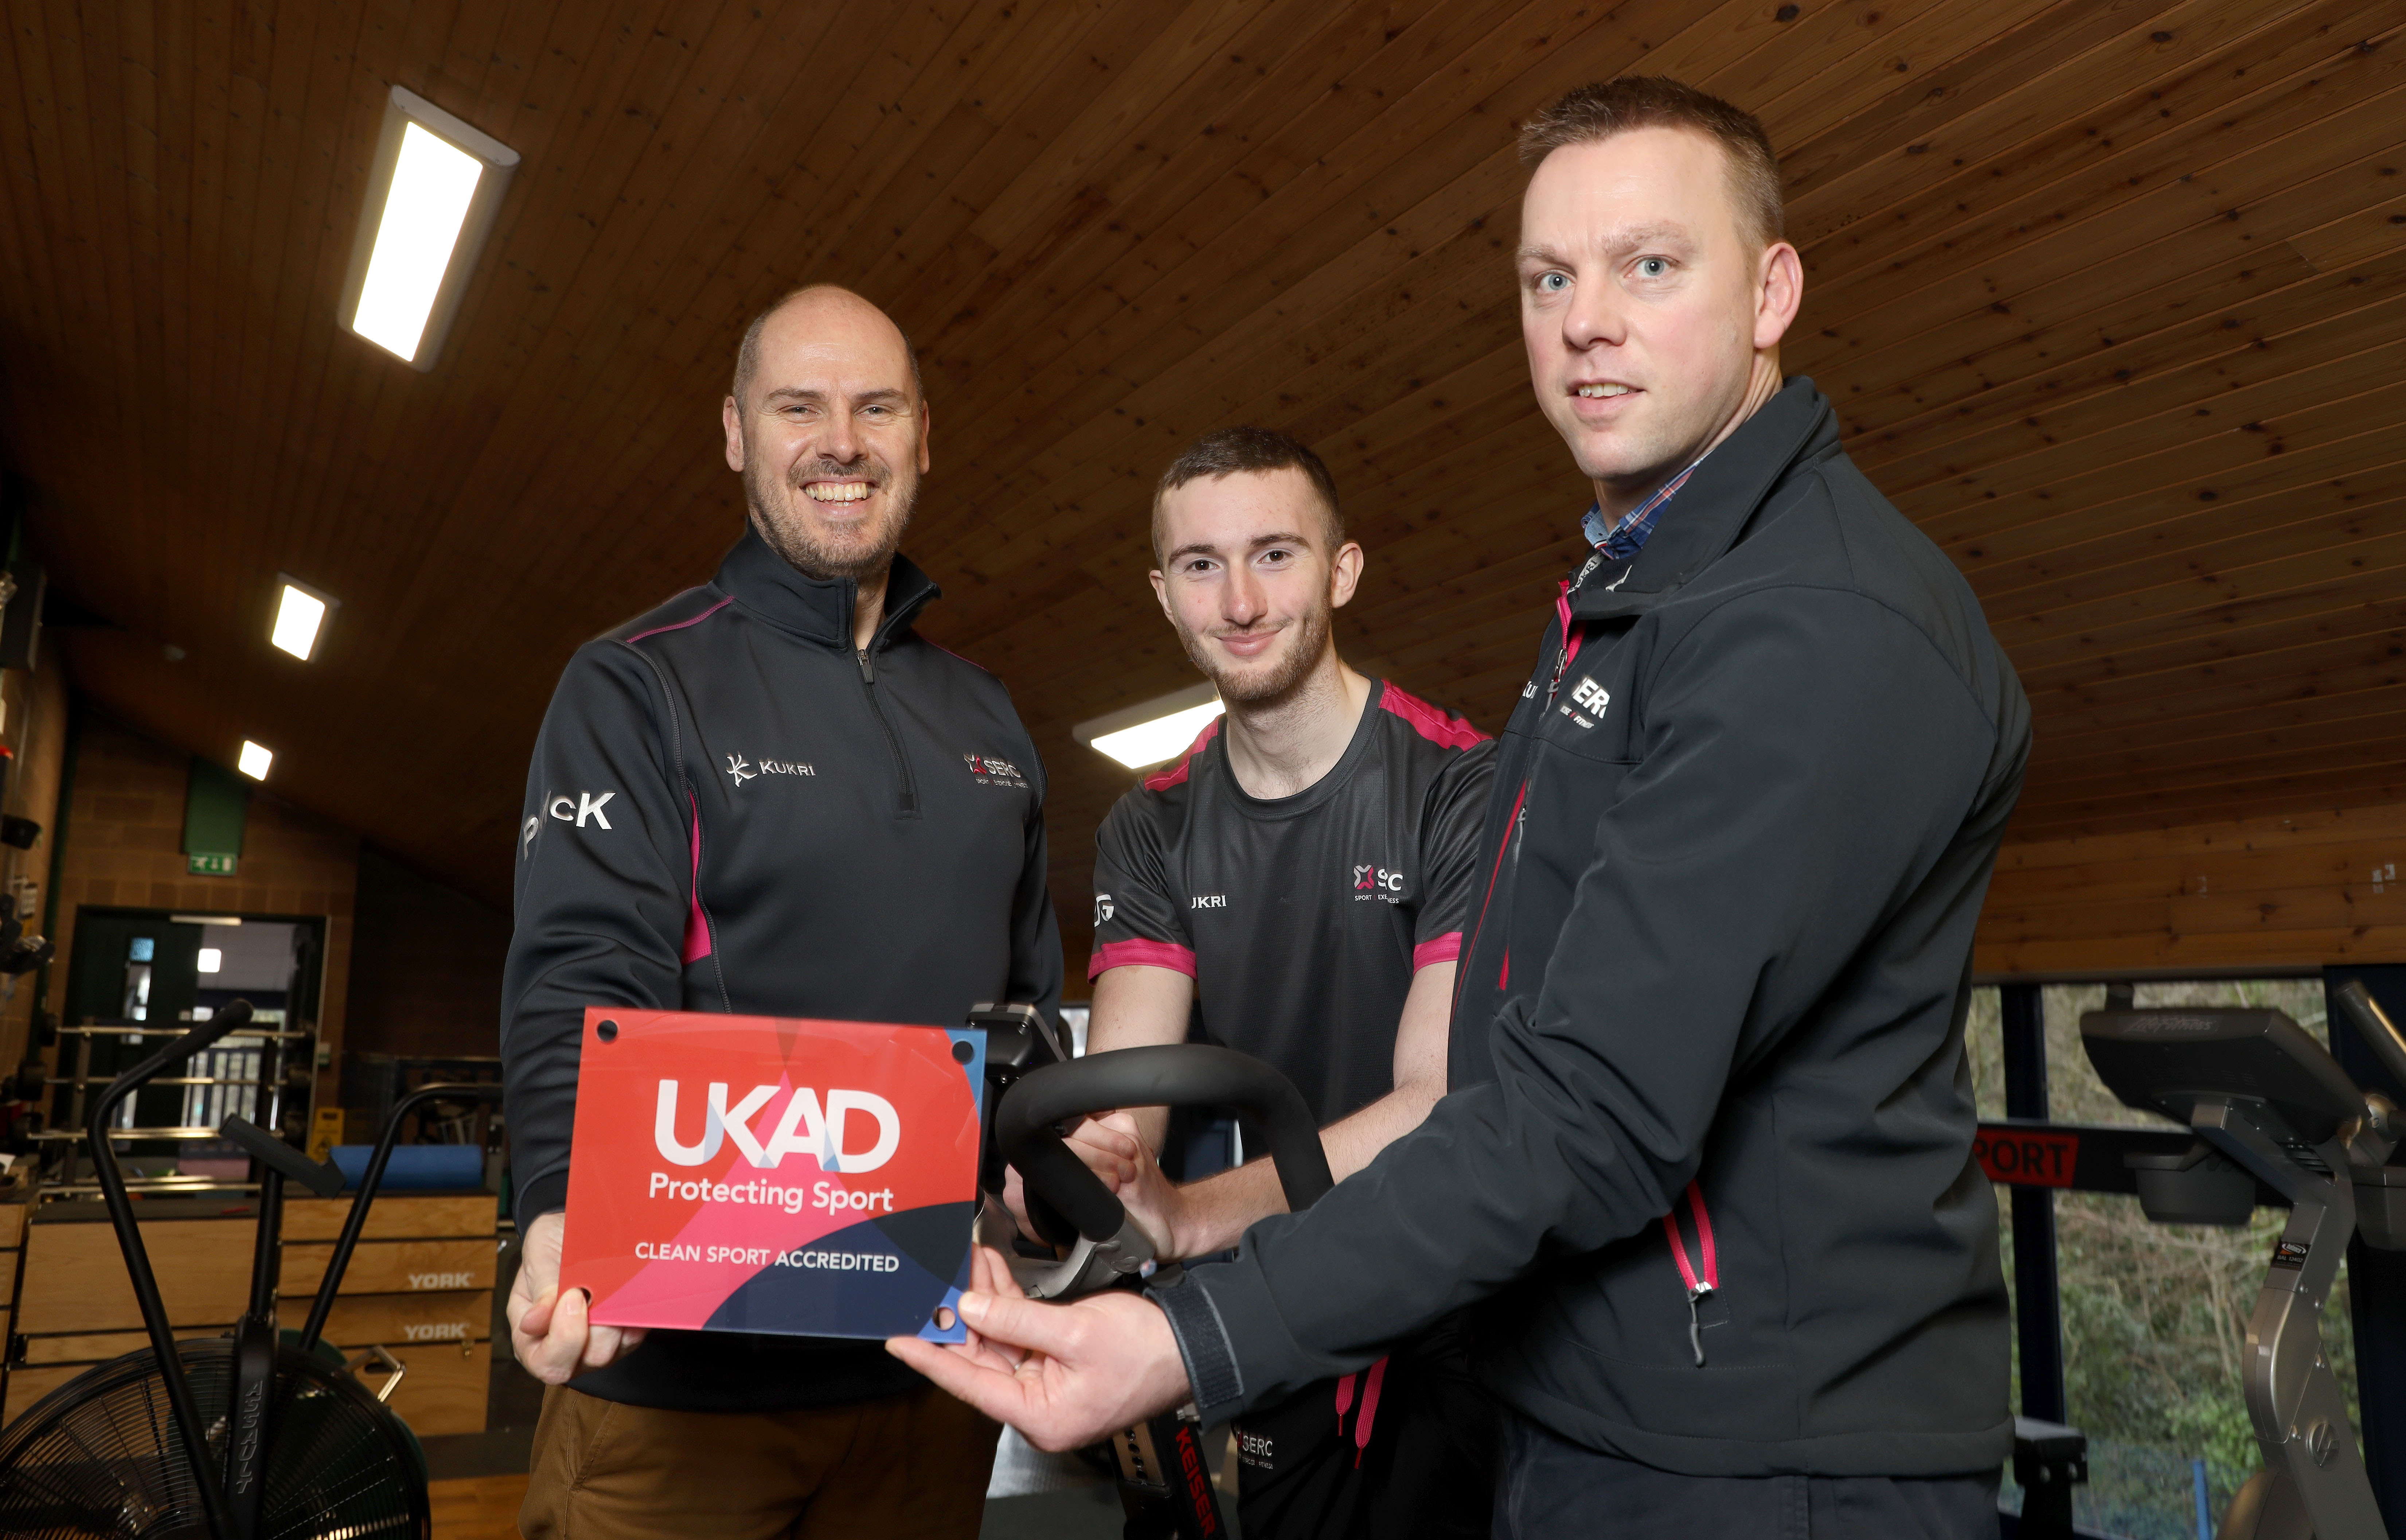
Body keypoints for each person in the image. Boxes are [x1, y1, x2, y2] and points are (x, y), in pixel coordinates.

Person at [895, 76, 2032, 1539]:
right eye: (1548, 278)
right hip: (1587, 1407)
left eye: (1649, 265)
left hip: (1759, 1458)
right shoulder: (1633, 605)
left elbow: (1586, 1109)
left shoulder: (1814, 623)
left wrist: (1195, 1330)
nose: (1585, 320)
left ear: (1771, 291)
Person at [500, 284, 1062, 1539]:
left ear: (922, 432)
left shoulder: (989, 717)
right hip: (681, 1390)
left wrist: (1043, 1169)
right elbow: (579, 971)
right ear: (736, 433)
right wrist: (553, 1202)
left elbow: (1025, 1009)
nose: (841, 441)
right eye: (797, 405)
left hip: (930, 1374)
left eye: (876, 407)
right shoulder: (638, 683)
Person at [1058, 426, 1497, 1537]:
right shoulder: (1149, 823)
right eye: (1202, 566)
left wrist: (1191, 1217)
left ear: (1341, 569)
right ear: (1165, 595)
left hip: (1446, 1303)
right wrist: (1068, 1174)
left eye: (1275, 555)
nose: (1241, 601)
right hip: (1266, 1314)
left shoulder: (1461, 785)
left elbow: (1435, 1104)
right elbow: (1124, 1107)